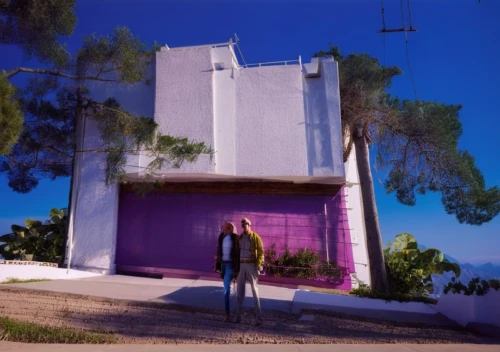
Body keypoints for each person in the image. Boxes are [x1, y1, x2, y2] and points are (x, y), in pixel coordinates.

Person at [234, 217, 264, 325]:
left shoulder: (255, 237)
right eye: (242, 224)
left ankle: (259, 317)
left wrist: (258, 266)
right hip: (242, 265)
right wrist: (236, 269)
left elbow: (260, 252)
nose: (244, 226)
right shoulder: (240, 237)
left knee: (255, 291)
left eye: (245, 224)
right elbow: (237, 254)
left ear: (249, 225)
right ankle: (238, 316)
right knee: (239, 292)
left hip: (251, 265)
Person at [215, 221, 240, 322]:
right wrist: (217, 263)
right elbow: (219, 251)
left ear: (230, 228)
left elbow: (238, 254)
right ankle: (230, 312)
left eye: (225, 228)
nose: (223, 229)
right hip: (223, 265)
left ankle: (227, 313)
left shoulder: (235, 238)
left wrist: (237, 269)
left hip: (230, 265)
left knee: (226, 289)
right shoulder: (221, 237)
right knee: (227, 289)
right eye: (223, 227)